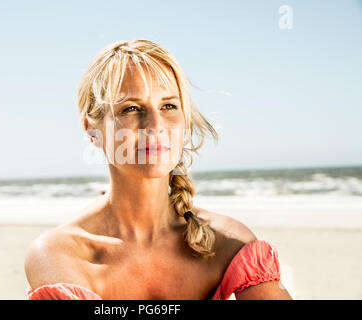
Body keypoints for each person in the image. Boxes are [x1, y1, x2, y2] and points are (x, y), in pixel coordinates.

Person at [24, 39, 293, 300]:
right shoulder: (59, 254)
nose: (155, 125)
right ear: (92, 130)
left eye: (169, 106)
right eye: (131, 108)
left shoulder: (230, 243)